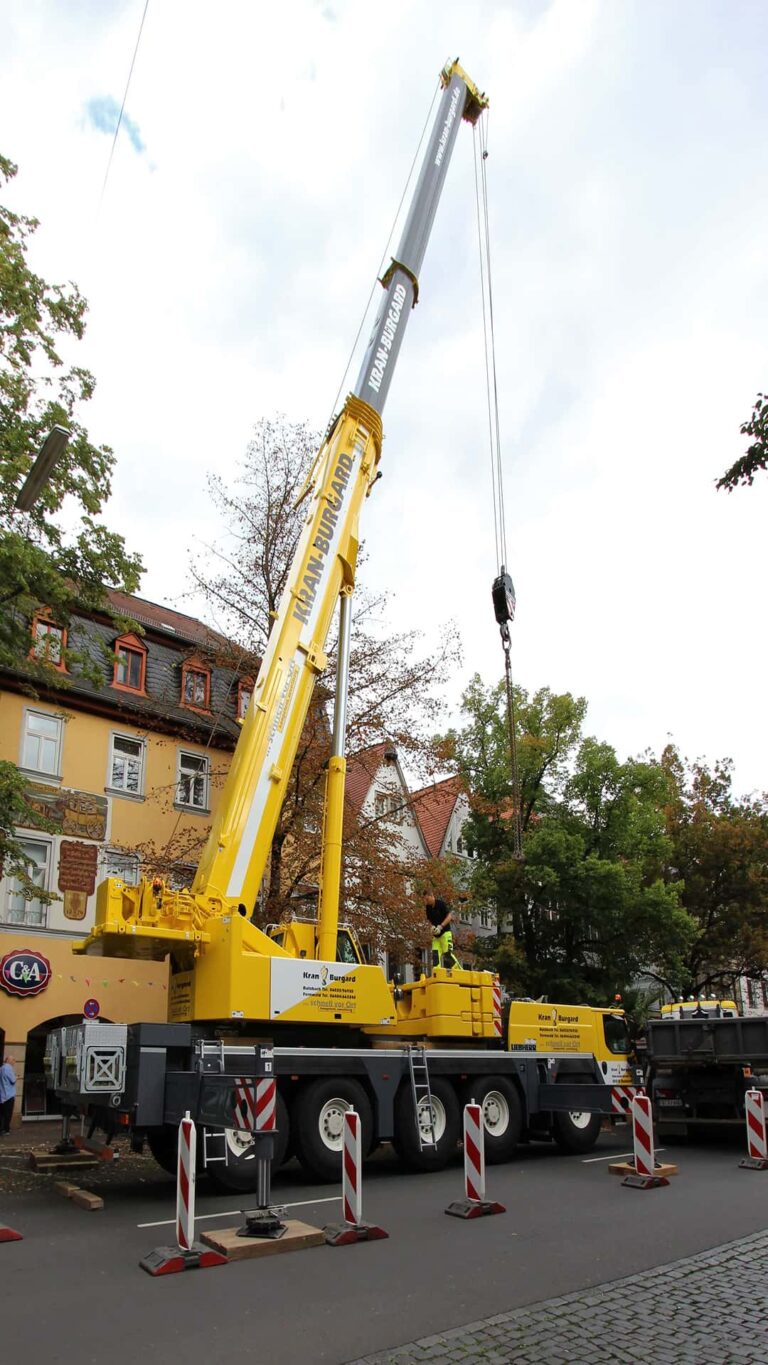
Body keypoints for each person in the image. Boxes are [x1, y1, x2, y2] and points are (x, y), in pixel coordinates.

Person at [424, 891, 457, 971]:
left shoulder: (441, 904)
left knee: (448, 954)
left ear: (432, 896)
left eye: (427, 899)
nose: (426, 901)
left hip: (445, 933)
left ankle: (457, 971)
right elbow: (429, 920)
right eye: (425, 900)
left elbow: (449, 916)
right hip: (436, 936)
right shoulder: (428, 907)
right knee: (435, 955)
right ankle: (437, 973)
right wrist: (431, 927)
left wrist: (441, 926)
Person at [0, 1054, 17, 1135]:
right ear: (10, 1061)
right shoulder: (8, 1068)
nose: (14, 1062)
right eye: (14, 1060)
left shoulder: (1, 1068)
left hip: (2, 1095)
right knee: (8, 1114)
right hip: (9, 1095)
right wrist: (16, 1077)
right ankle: (6, 1130)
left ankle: (1, 1129)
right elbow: (13, 1080)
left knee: (2, 1113)